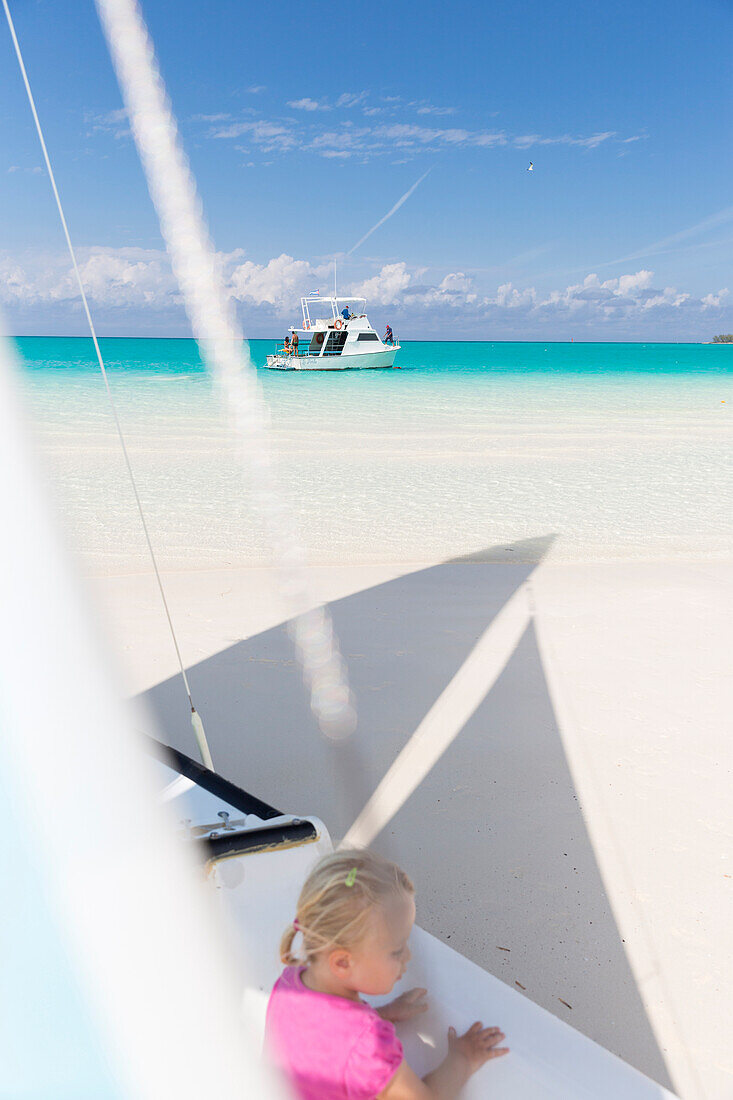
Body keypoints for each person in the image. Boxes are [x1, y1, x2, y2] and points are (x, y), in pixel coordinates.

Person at [265, 849, 508, 1099]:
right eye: (396, 951)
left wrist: (384, 1014)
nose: (409, 957)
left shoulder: (289, 982)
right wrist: (463, 1058)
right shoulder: (369, 1046)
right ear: (342, 963)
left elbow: (325, 1037)